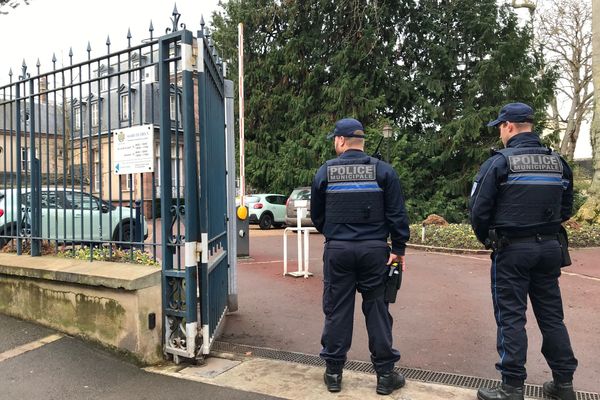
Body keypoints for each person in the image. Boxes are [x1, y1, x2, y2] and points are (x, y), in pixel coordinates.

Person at [469, 103, 578, 400]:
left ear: (509, 126)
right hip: (549, 249)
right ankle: (564, 385)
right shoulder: (558, 162)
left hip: (512, 251)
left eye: (500, 127)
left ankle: (511, 387)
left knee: (511, 318)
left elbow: (478, 211)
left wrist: (489, 240)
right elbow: (566, 207)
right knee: (552, 317)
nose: (500, 133)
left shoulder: (499, 163)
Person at [310, 117, 410, 395]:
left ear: (341, 141)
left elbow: (317, 215)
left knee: (337, 310)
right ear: (362, 142)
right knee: (377, 310)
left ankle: (333, 374)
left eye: (334, 139)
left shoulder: (325, 172)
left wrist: (336, 232)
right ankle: (386, 375)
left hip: (338, 250)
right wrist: (399, 249)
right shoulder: (383, 171)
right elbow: (397, 214)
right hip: (374, 251)